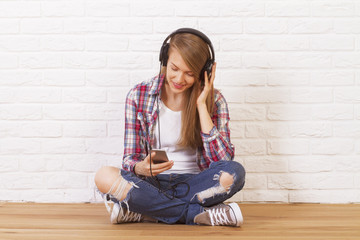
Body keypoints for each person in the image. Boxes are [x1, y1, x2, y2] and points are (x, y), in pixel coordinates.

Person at [94, 28, 246, 227]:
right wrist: (141, 167)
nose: (179, 79)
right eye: (174, 69)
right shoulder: (138, 95)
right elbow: (129, 159)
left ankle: (145, 211)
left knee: (235, 173)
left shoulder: (215, 101)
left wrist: (202, 106)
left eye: (190, 73)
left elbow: (223, 162)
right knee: (103, 176)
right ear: (165, 60)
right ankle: (197, 214)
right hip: (150, 185)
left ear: (204, 71)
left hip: (196, 184)